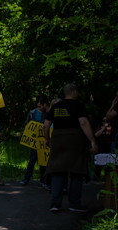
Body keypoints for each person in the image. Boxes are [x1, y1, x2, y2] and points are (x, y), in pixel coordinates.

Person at [43, 83, 98, 213]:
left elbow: (46, 125)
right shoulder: (78, 105)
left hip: (58, 140)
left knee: (57, 170)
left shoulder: (56, 106)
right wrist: (92, 141)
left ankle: (55, 203)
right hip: (75, 139)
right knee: (76, 171)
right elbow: (83, 122)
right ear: (73, 92)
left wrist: (47, 139)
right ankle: (74, 203)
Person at [20, 96, 50, 187]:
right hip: (34, 140)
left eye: (40, 105)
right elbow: (28, 125)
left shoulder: (48, 113)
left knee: (43, 161)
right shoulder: (32, 113)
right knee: (32, 159)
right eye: (38, 106)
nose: (39, 107)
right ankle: (26, 179)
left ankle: (43, 180)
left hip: (43, 139)